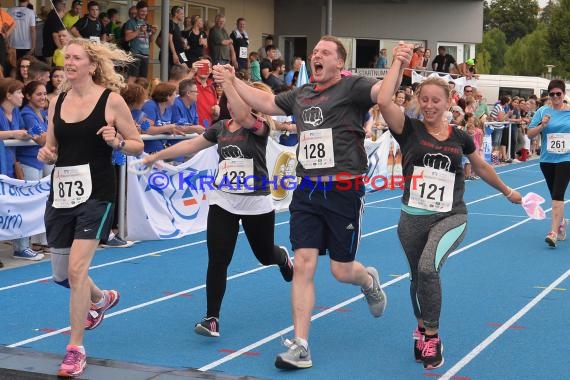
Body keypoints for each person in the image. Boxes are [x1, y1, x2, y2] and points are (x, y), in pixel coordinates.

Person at [213, 35, 388, 370]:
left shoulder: (353, 88)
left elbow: (384, 93)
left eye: (325, 52)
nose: (316, 56)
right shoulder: (302, 94)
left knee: (340, 270)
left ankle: (367, 280)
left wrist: (396, 65)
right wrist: (231, 79)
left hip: (343, 192)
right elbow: (263, 104)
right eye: (314, 52)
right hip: (307, 191)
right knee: (303, 265)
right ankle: (301, 345)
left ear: (340, 62)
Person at [377, 42, 522, 371]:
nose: (428, 105)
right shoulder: (408, 129)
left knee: (429, 268)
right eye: (424, 100)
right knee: (417, 278)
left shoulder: (460, 137)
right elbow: (383, 100)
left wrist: (506, 191)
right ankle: (421, 326)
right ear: (418, 101)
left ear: (448, 102)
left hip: (450, 216)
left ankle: (432, 336)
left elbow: (482, 167)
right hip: (411, 218)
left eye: (435, 101)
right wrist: (399, 64)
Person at [137, 80, 293, 337]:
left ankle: (282, 258)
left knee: (264, 255)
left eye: (237, 101)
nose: (232, 105)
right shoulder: (220, 128)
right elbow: (191, 145)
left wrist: (230, 81)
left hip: (255, 202)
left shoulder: (260, 127)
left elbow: (245, 116)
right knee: (218, 259)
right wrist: (156, 156)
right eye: (229, 101)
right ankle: (212, 318)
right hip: (223, 200)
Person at [37, 38, 143, 378]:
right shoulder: (58, 101)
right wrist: (47, 153)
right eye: (65, 57)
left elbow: (137, 145)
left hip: (96, 194)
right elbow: (52, 145)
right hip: (62, 193)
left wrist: (118, 142)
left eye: (76, 58)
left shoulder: (111, 101)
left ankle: (75, 349)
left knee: (77, 271)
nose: (68, 62)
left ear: (92, 65)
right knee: (60, 274)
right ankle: (101, 298)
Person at [527, 79, 570, 248]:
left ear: (564, 94)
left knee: (558, 194)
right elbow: (530, 134)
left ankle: (552, 232)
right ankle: (561, 223)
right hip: (547, 160)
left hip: (566, 159)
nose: (555, 97)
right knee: (555, 195)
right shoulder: (542, 111)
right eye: (552, 94)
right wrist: (542, 125)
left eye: (558, 94)